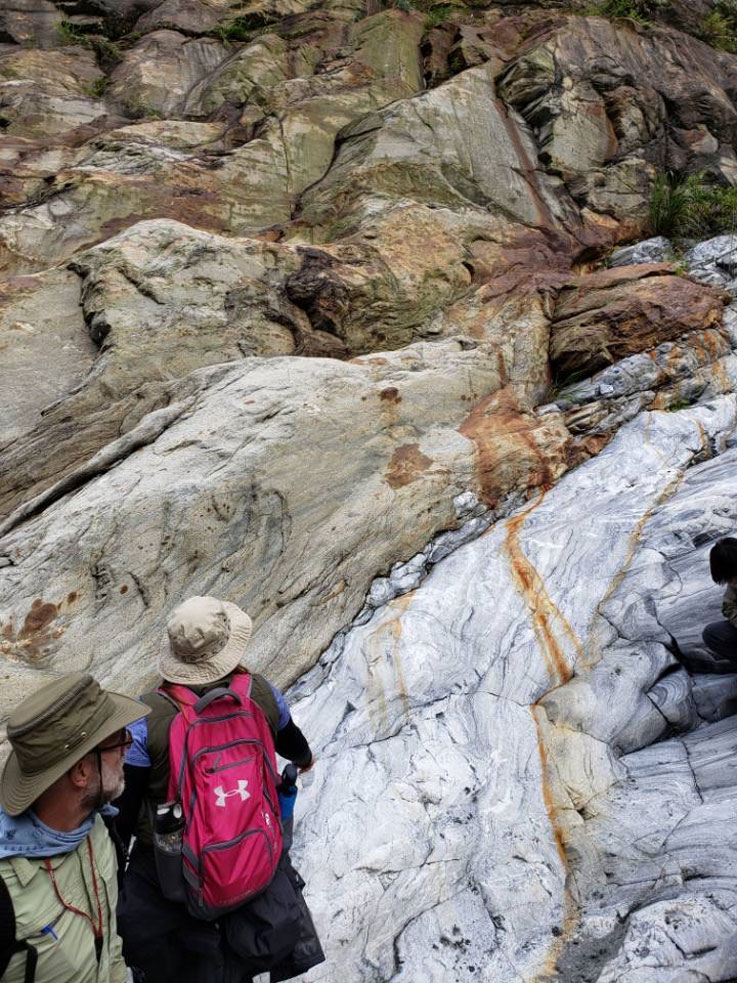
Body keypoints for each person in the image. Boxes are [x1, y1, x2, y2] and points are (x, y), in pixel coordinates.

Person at [116, 596, 314, 983]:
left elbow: (124, 812)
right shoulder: (260, 693)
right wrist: (305, 761)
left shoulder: (146, 719)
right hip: (252, 855)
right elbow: (297, 747)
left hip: (172, 871)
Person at [0, 672, 151, 983]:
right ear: (81, 771)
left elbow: (110, 944)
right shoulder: (5, 888)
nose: (129, 746)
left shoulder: (98, 826)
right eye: (119, 739)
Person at [702, 537, 737, 665]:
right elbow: (729, 606)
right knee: (712, 633)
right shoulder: (733, 582)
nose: (732, 582)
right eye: (730, 579)